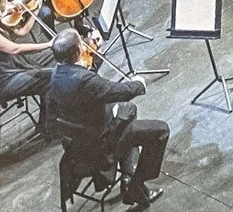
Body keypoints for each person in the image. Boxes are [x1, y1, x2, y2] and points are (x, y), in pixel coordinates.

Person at [48, 28, 168, 209]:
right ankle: (135, 184)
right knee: (161, 130)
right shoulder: (87, 82)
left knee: (129, 110)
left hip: (78, 142)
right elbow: (117, 91)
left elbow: (89, 83)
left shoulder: (56, 74)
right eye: (81, 42)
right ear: (76, 51)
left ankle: (128, 175)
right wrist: (138, 83)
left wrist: (94, 55)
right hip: (101, 144)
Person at [0, 0, 55, 128]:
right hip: (5, 78)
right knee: (47, 78)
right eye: (3, 2)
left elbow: (22, 31)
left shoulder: (0, 22)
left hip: (14, 65)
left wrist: (35, 9)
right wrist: (48, 44)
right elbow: (15, 49)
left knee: (55, 57)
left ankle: (52, 116)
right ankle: (48, 125)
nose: (8, 2)